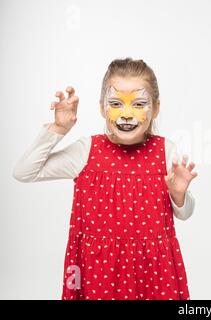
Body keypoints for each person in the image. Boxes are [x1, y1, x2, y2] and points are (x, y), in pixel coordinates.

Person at [13, 58, 196, 300]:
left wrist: (179, 193)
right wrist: (59, 128)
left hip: (153, 272)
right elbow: (24, 171)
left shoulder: (165, 151)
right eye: (116, 104)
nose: (127, 115)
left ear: (156, 108)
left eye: (139, 103)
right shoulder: (86, 150)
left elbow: (184, 214)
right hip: (96, 271)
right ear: (102, 108)